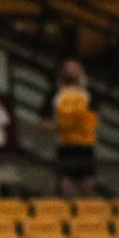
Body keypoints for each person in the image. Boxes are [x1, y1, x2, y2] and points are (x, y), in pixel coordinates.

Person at [44, 59, 98, 198]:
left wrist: (81, 124)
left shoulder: (88, 94)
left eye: (74, 69)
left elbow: (96, 118)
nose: (71, 72)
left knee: (88, 187)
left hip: (85, 147)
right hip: (64, 147)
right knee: (63, 187)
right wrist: (62, 127)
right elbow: (43, 122)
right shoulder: (55, 94)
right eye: (68, 69)